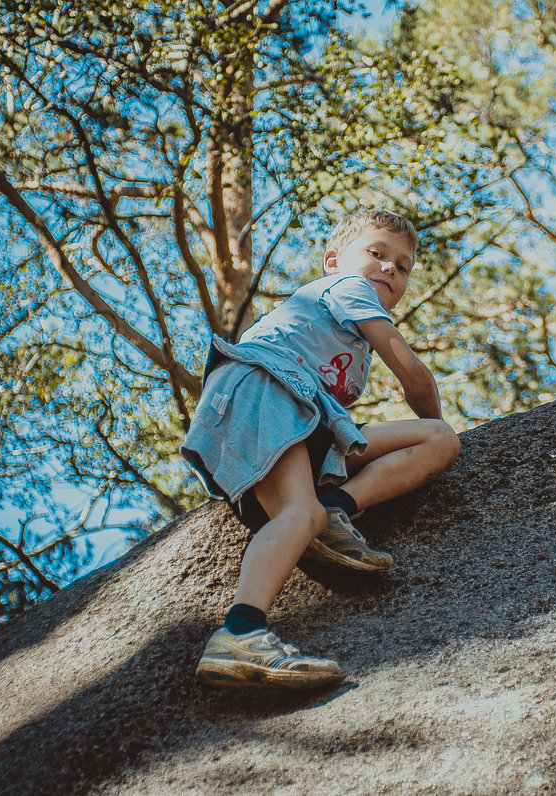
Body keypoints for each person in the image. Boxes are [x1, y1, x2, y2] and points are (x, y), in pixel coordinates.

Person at [182, 209, 461, 689]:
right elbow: (412, 374)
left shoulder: (352, 346)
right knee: (298, 513)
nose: (390, 268)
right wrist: (429, 407)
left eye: (403, 265)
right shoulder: (344, 290)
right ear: (334, 261)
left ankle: (336, 507)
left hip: (307, 422)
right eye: (376, 253)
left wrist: (435, 426)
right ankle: (240, 632)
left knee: (440, 440)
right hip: (264, 389)